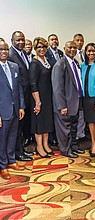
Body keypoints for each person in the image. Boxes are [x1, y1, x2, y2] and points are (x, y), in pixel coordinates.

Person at [52, 41, 85, 158]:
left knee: (73, 128)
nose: (72, 50)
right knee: (64, 130)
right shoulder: (60, 65)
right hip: (65, 104)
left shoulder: (75, 62)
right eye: (69, 47)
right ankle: (65, 150)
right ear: (64, 48)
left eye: (74, 48)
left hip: (75, 102)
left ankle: (73, 147)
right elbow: (57, 88)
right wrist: (62, 106)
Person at [0, 41, 25, 179]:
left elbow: (19, 88)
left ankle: (11, 161)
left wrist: (21, 106)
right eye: (1, 49)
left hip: (15, 109)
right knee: (2, 139)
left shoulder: (14, 66)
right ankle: (2, 166)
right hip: (2, 111)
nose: (4, 52)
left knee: (12, 137)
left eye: (5, 49)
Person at [8, 31, 33, 161]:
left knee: (21, 127)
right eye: (18, 40)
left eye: (22, 39)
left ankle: (21, 150)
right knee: (16, 128)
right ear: (12, 40)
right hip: (17, 97)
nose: (21, 42)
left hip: (26, 96)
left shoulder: (22, 53)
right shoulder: (11, 55)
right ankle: (17, 153)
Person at [29, 37, 54, 158]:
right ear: (35, 48)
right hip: (38, 98)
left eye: (44, 47)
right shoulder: (35, 63)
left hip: (47, 97)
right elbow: (33, 84)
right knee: (39, 123)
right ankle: (39, 146)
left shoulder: (46, 60)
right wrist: (37, 102)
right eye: (39, 47)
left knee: (46, 122)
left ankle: (45, 144)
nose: (41, 49)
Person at [46, 34, 64, 147]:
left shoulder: (61, 53)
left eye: (56, 39)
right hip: (49, 86)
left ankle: (58, 137)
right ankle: (52, 138)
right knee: (51, 113)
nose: (55, 41)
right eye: (52, 39)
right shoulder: (46, 53)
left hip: (60, 86)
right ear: (48, 42)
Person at [73, 33, 86, 140]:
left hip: (85, 89)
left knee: (82, 113)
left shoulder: (87, 54)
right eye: (77, 40)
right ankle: (75, 135)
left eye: (81, 40)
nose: (79, 42)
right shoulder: (70, 55)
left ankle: (81, 134)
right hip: (75, 90)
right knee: (75, 113)